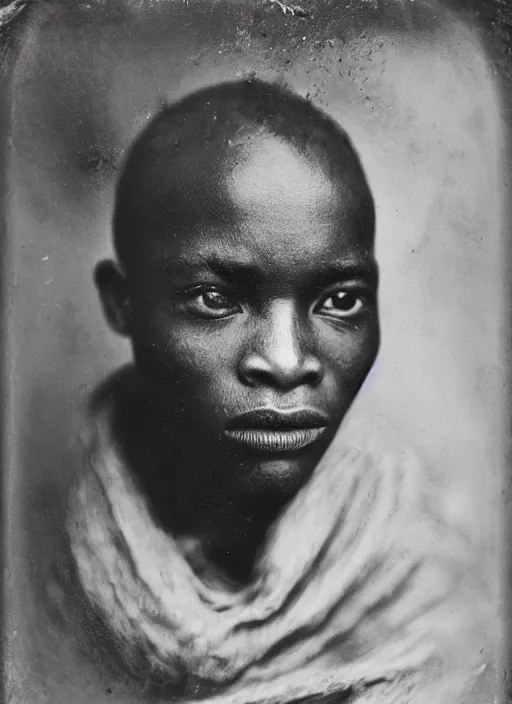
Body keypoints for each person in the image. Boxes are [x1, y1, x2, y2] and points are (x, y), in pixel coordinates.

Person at [52, 79, 491, 703]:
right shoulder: (38, 560)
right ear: (123, 304)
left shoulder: (432, 601)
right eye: (214, 298)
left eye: (340, 301)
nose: (287, 363)